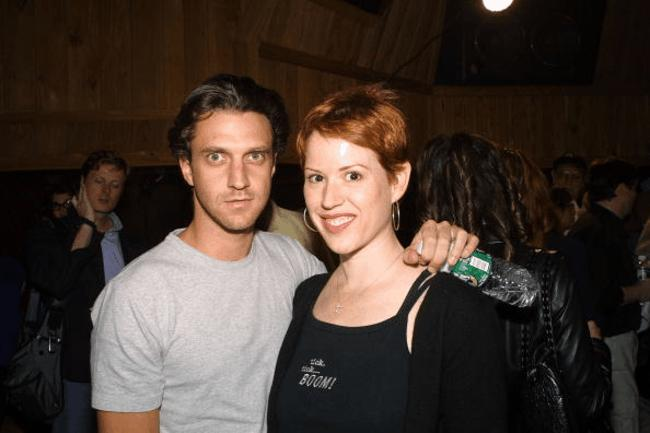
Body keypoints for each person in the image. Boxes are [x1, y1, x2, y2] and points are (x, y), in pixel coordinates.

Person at [90, 74, 478, 433]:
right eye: (216, 157)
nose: (239, 179)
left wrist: (448, 247)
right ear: (187, 167)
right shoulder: (135, 297)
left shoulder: (297, 266)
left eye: (255, 156)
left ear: (274, 165)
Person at [267, 86, 506, 433]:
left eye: (353, 175)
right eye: (316, 178)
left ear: (397, 180)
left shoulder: (453, 310)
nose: (329, 199)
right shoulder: (307, 295)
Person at [416, 133, 612, 433]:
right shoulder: (545, 269)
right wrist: (597, 346)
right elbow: (589, 401)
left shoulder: (414, 271)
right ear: (500, 188)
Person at [25, 150, 144, 433]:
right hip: (75, 365)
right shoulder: (52, 233)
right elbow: (58, 282)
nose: (106, 191)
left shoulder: (132, 241)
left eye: (115, 184)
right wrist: (87, 225)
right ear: (82, 183)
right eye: (99, 181)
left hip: (125, 365)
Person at [571, 159, 650, 433]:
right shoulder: (601, 231)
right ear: (620, 189)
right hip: (611, 335)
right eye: (633, 188)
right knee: (623, 411)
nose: (635, 196)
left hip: (602, 334)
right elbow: (603, 294)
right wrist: (641, 290)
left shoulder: (590, 224)